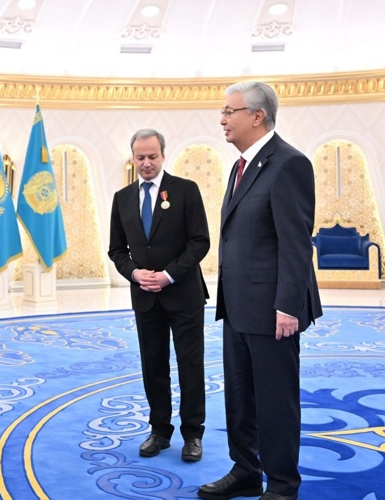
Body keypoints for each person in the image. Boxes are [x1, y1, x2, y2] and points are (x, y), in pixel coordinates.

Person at [197, 82, 322, 500]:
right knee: (240, 397)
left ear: (257, 116)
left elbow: (296, 242)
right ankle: (246, 469)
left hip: (273, 311)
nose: (222, 119)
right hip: (237, 307)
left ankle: (283, 484)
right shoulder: (240, 166)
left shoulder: (289, 164)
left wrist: (288, 305)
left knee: (275, 401)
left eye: (229, 111)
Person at [108, 128, 210, 462]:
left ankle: (193, 434)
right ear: (133, 157)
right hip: (145, 297)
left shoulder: (186, 190)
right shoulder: (122, 198)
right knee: (153, 366)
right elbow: (116, 250)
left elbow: (200, 241)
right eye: (140, 157)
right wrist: (135, 273)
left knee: (189, 365)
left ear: (164, 155)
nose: (147, 163)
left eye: (153, 156)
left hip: (184, 295)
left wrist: (168, 276)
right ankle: (159, 431)